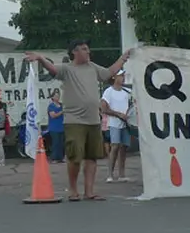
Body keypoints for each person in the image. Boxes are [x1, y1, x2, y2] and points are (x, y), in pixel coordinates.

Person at [26, 40, 130, 202]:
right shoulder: (67, 69)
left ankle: (89, 191)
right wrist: (41, 58)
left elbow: (109, 72)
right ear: (74, 52)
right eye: (84, 49)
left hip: (93, 120)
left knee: (92, 157)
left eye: (88, 49)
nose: (88, 52)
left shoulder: (93, 67)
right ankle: (73, 190)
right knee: (75, 156)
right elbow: (53, 69)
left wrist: (123, 58)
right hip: (74, 120)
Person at [100, 69, 131, 183]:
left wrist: (127, 116)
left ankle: (122, 174)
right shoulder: (108, 91)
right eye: (121, 76)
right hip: (114, 124)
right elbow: (103, 108)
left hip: (125, 124)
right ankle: (110, 174)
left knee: (124, 148)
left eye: (123, 76)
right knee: (115, 147)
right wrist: (118, 114)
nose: (123, 78)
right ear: (115, 78)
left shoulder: (126, 92)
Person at [47, 89, 65, 163]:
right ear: (53, 97)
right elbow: (53, 115)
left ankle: (61, 158)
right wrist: (61, 112)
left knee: (62, 143)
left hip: (62, 127)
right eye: (56, 96)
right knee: (56, 143)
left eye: (58, 96)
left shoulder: (62, 105)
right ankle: (54, 158)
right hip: (54, 128)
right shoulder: (51, 106)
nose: (57, 97)